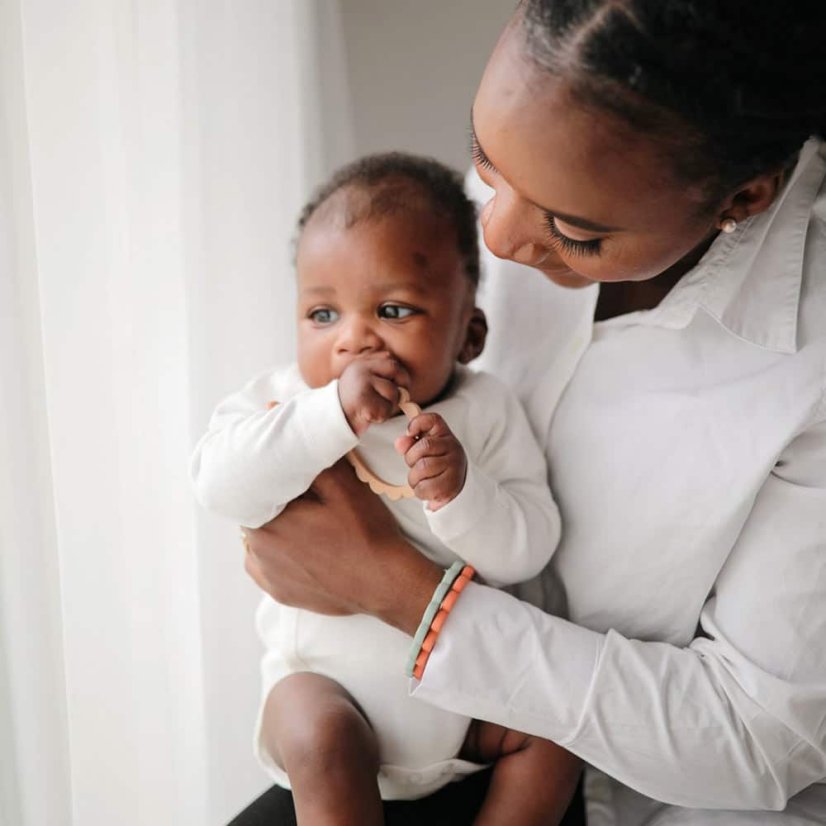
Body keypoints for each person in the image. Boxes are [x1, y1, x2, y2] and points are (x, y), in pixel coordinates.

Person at [235, 1, 826, 824]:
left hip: (647, 797)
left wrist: (396, 587)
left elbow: (760, 738)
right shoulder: (522, 184)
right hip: (388, 733)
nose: (498, 237)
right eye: (487, 160)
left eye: (574, 230)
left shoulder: (809, 360)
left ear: (745, 196)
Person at [192, 153, 584, 825]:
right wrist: (327, 418)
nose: (352, 340)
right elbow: (218, 485)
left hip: (466, 711)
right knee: (317, 736)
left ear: (469, 333)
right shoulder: (282, 405)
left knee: (559, 737)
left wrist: (459, 495)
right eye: (322, 314)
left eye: (393, 309)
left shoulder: (485, 412)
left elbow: (529, 548)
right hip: (331, 695)